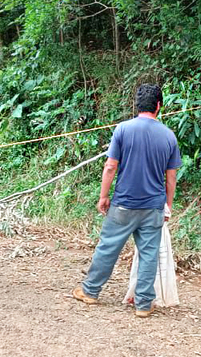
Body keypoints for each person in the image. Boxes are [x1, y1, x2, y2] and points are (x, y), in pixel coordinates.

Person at [73, 83, 181, 318]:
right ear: (159, 106)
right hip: (153, 207)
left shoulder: (123, 129)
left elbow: (111, 166)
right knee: (149, 254)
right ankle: (143, 304)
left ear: (137, 105)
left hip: (123, 204)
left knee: (108, 248)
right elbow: (171, 178)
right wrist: (168, 206)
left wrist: (103, 196)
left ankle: (90, 291)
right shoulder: (169, 136)